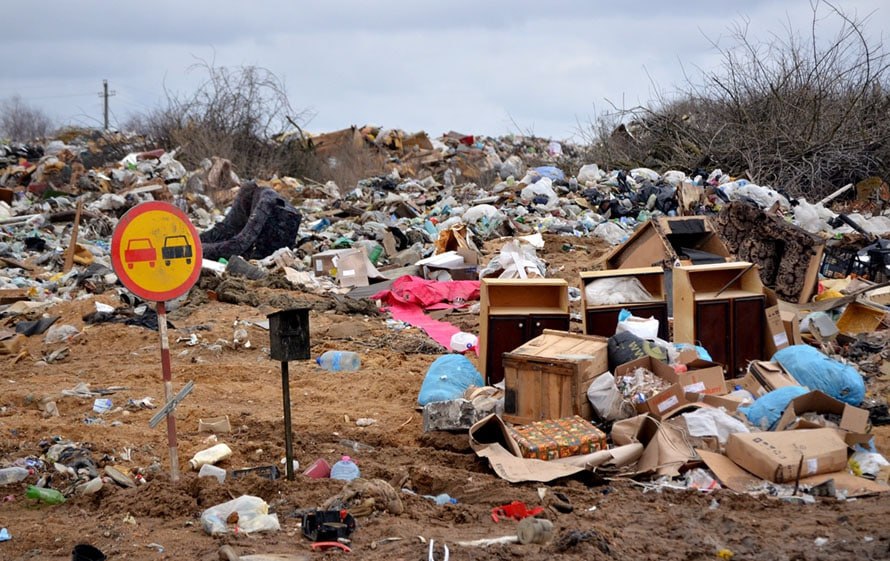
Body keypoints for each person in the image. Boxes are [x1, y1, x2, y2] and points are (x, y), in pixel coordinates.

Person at [200, 181, 301, 261]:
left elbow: (240, 244)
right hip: (255, 248)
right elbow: (226, 228)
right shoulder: (250, 195)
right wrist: (195, 240)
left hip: (268, 255)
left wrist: (199, 249)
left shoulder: (265, 203)